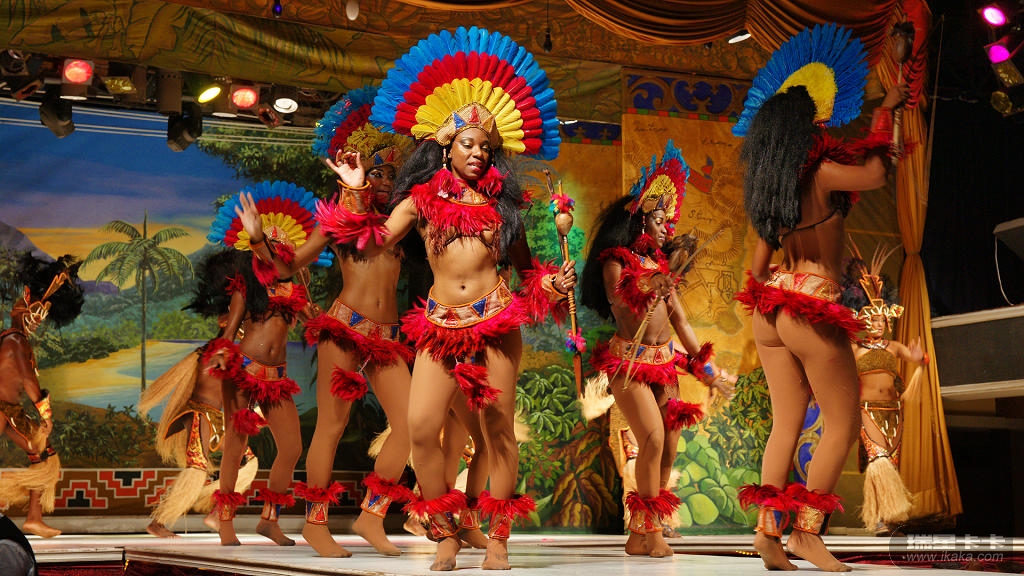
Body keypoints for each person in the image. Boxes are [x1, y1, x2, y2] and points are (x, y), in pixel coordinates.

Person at [329, 25, 572, 571]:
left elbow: (528, 274)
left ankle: (498, 538)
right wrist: (355, 189)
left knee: (496, 430)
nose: (478, 153)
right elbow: (372, 241)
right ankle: (445, 530)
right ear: (446, 145)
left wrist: (552, 285)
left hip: (495, 324)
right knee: (419, 428)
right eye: (468, 143)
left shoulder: (505, 208)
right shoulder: (420, 199)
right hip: (439, 326)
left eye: (486, 146)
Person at [731, 24, 909, 572]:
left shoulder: (772, 196)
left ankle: (767, 535)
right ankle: (807, 534)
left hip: (772, 308)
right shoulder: (820, 173)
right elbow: (876, 172)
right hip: (810, 304)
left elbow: (756, 270)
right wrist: (887, 111)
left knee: (785, 424)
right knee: (842, 421)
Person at [237, 86, 418, 558]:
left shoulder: (400, 222)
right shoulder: (338, 220)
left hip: (386, 339)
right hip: (344, 329)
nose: (383, 179)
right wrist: (258, 240)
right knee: (332, 428)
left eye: (391, 173)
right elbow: (286, 267)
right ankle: (316, 525)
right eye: (376, 171)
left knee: (410, 427)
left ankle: (372, 516)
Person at [579, 141, 732, 558]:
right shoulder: (616, 261)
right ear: (641, 218)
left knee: (669, 445)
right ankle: (652, 533)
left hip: (664, 365)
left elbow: (681, 323)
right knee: (650, 437)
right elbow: (619, 296)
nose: (667, 227)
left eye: (670, 221)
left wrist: (708, 371)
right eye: (661, 219)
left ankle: (640, 532)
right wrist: (649, 283)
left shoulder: (661, 267)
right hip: (628, 365)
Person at [206, 181, 322, 547]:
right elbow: (232, 325)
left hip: (277, 376)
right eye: (270, 243)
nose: (277, 246)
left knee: (291, 447)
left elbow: (311, 323)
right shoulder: (248, 284)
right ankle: (225, 521)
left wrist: (316, 317)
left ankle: (269, 520)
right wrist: (221, 352)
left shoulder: (295, 288)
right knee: (235, 444)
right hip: (245, 368)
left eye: (281, 243)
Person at [137, 249, 258, 538]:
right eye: (236, 323)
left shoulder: (233, 354)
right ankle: (159, 522)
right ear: (224, 322)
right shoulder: (214, 352)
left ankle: (217, 512)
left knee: (248, 462)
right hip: (201, 415)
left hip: (220, 419)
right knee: (197, 468)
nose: (240, 328)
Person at [844, 246, 927, 535]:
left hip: (894, 411)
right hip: (867, 411)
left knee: (890, 463)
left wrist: (919, 358)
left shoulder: (893, 347)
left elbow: (917, 357)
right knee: (878, 460)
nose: (877, 324)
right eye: (872, 320)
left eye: (881, 320)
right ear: (864, 322)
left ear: (886, 322)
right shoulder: (856, 349)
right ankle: (879, 518)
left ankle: (889, 519)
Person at [0, 253, 84, 539]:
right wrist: (45, 416)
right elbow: (28, 380)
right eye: (36, 315)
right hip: (3, 410)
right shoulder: (14, 341)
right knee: (44, 455)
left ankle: (34, 518)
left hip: (10, 411)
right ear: (23, 307)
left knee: (45, 456)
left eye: (42, 318)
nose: (38, 323)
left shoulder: (15, 339)